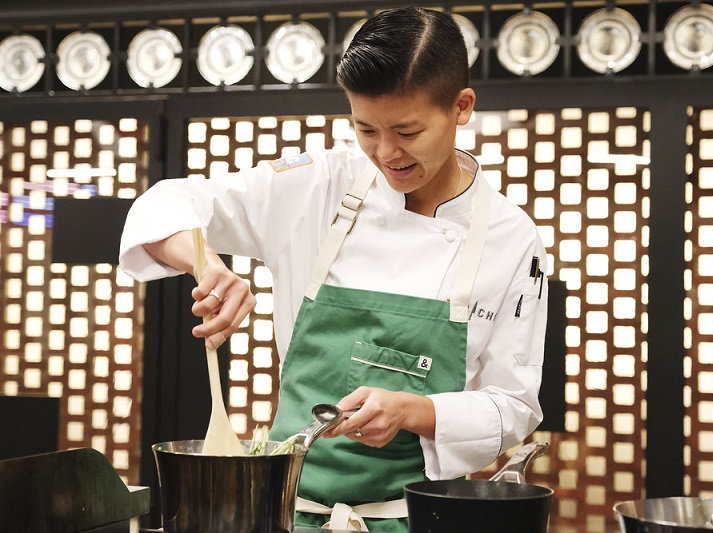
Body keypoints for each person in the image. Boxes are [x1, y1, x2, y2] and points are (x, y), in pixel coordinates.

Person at [120, 7, 548, 532]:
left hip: (410, 520)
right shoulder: (318, 185)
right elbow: (166, 203)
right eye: (365, 128)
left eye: (407, 131)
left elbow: (512, 407)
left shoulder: (511, 237)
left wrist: (410, 410)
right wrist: (205, 262)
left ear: (461, 108)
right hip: (284, 514)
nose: (386, 153)